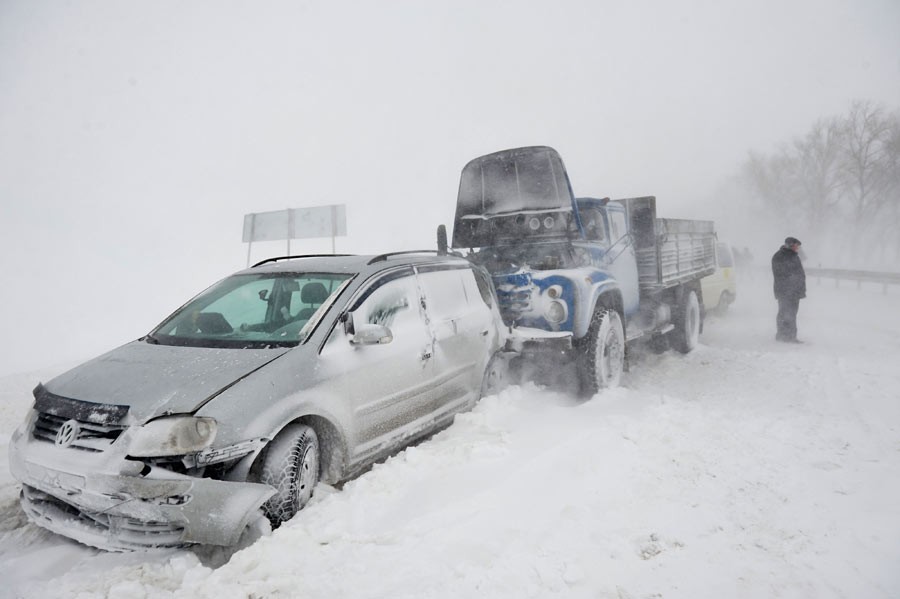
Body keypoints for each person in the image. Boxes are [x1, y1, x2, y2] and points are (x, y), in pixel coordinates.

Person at [771, 236, 806, 343]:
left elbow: (799, 272)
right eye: (796, 246)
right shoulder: (779, 256)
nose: (798, 248)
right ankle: (784, 336)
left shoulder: (794, 256)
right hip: (785, 291)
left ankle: (789, 336)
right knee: (785, 313)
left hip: (794, 291)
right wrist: (791, 286)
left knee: (792, 313)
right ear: (790, 245)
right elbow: (781, 274)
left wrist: (799, 289)